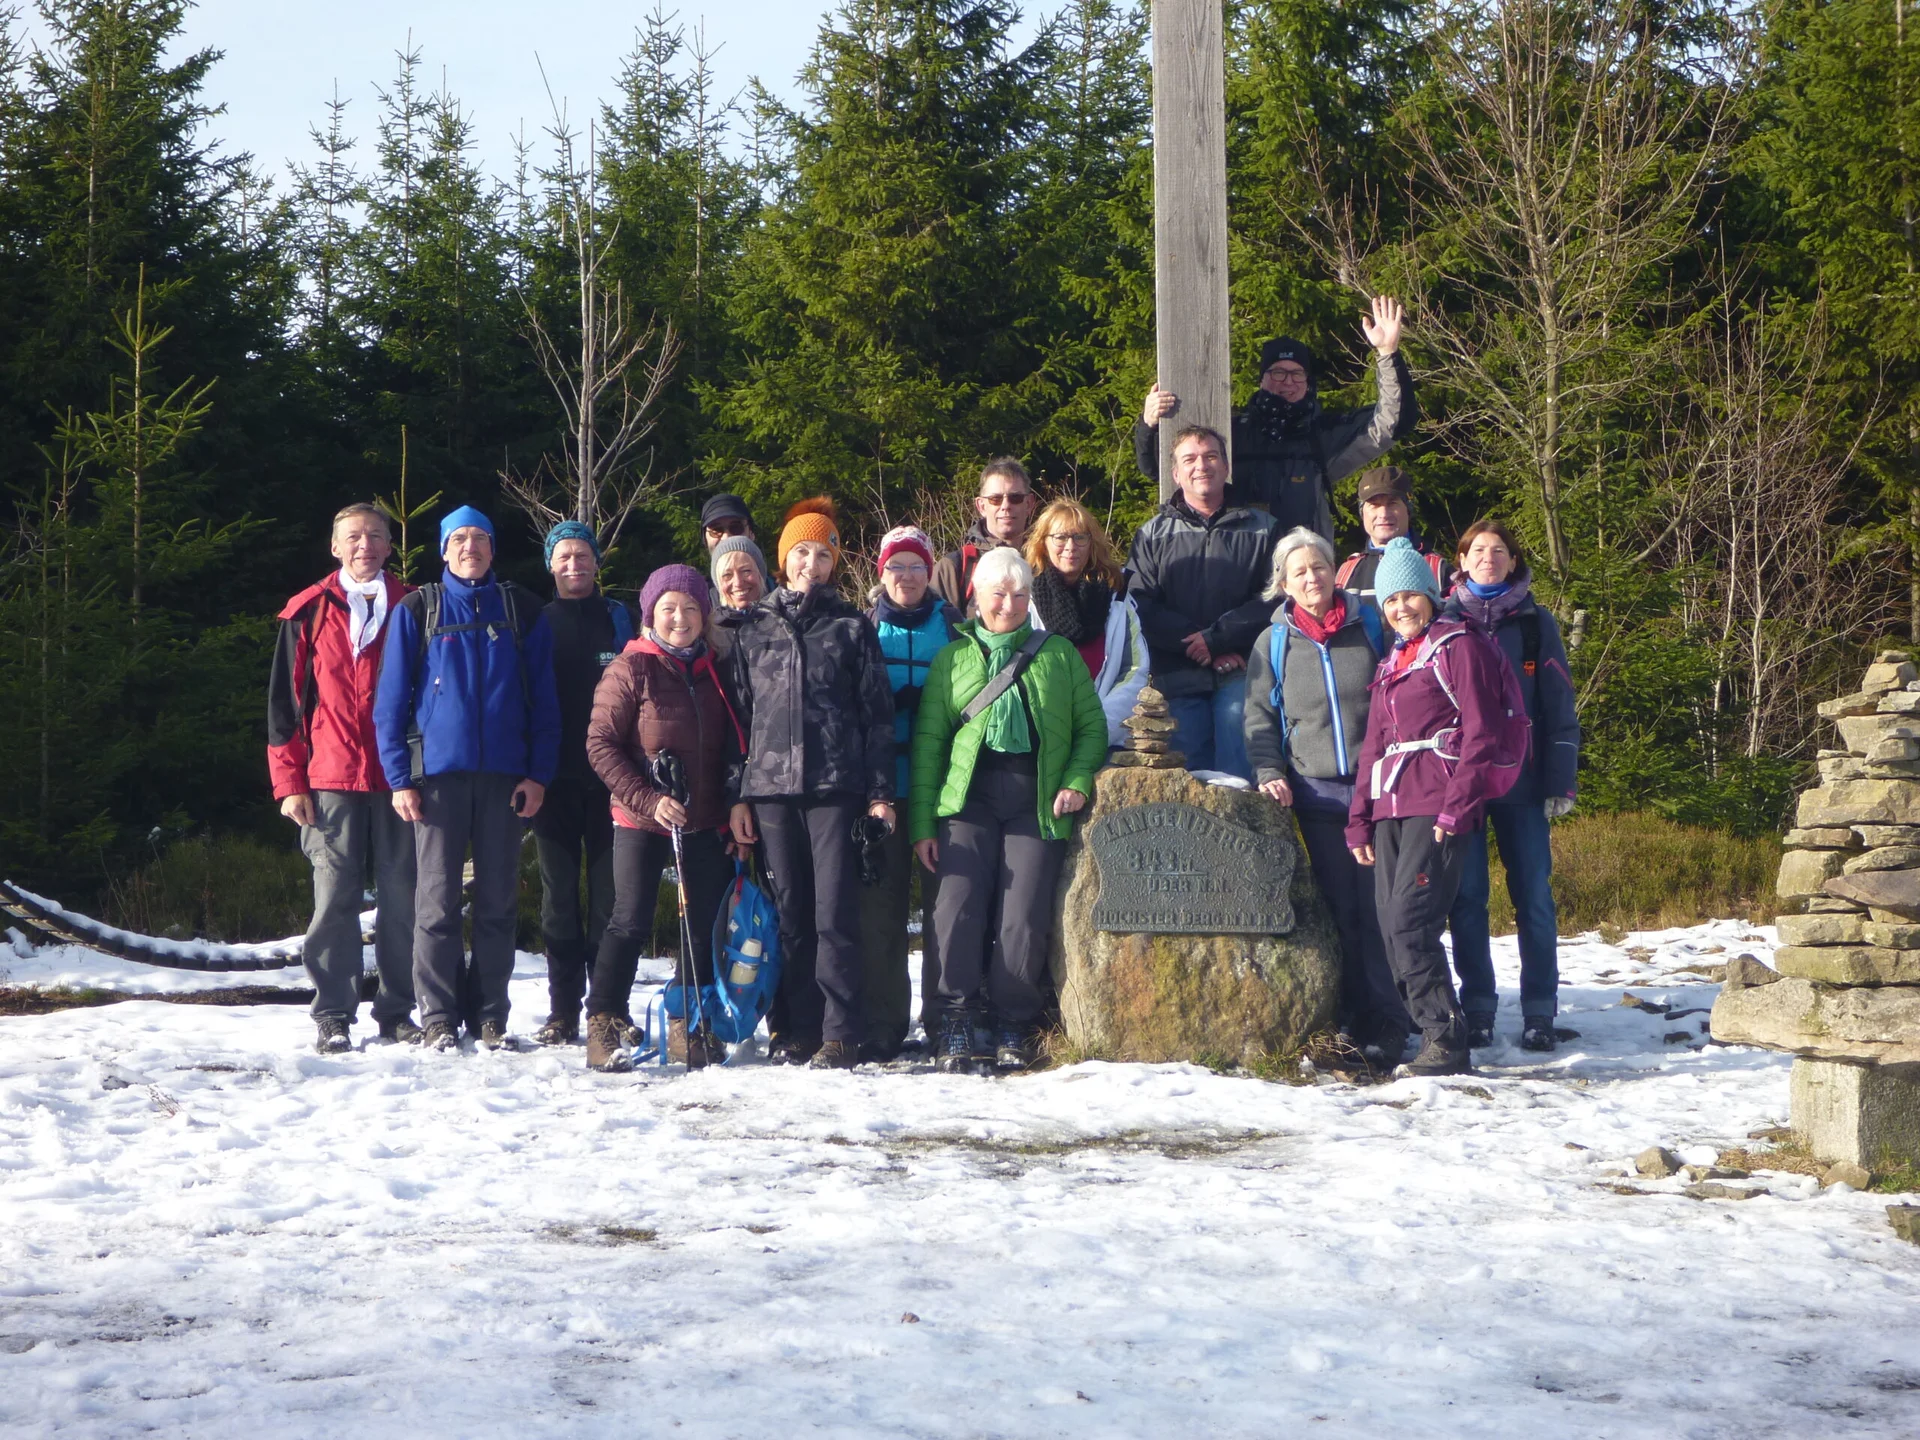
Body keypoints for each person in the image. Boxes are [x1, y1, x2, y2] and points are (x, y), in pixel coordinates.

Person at [910, 549, 1108, 1073]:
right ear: (975, 595)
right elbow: (929, 745)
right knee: (957, 907)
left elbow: (1092, 729)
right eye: (999, 593)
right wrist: (923, 824)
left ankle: (1012, 1020)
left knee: (1023, 916)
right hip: (967, 798)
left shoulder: (1058, 654)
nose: (1009, 604)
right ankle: (954, 1017)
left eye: (1020, 595)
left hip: (1035, 800)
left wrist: (1077, 780)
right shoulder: (952, 658)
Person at [374, 505, 561, 1052]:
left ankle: (491, 1015)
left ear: (493, 549)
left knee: (499, 902)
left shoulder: (522, 609)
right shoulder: (418, 609)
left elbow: (545, 703)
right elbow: (390, 705)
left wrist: (538, 774)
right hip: (437, 781)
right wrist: (399, 778)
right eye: (459, 539)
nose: (470, 547)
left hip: (506, 779)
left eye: (480, 538)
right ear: (443, 549)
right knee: (435, 904)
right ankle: (437, 1017)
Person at [725, 498, 896, 1069]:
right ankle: (793, 1028)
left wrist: (879, 794)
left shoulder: (852, 626)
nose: (812, 562)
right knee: (790, 913)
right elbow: (739, 721)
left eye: (823, 553)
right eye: (802, 551)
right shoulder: (754, 627)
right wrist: (740, 794)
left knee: (834, 913)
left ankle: (840, 1032)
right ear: (783, 558)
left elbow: (877, 717)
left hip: (834, 786)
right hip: (771, 791)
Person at [1344, 537, 1517, 1077]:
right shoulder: (1394, 659)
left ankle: (1445, 1039)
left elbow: (1482, 733)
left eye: (1409, 597)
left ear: (1429, 594)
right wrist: (1359, 820)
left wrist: (1456, 808)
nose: (1400, 608)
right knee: (1389, 926)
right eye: (1390, 600)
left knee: (1411, 924)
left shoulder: (1457, 645)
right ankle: (1438, 1030)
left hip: (1436, 802)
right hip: (1391, 806)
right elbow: (1373, 746)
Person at [1243, 527, 1411, 1067]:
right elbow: (1259, 716)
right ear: (1283, 583)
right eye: (1299, 572)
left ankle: (1390, 1019)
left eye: (1318, 567)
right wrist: (1269, 768)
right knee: (1342, 910)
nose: (1311, 577)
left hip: (1379, 791)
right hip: (1316, 795)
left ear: (1332, 570)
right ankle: (1352, 1014)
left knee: (1383, 908)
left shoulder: (1370, 624)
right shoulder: (1273, 642)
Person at [268, 503, 420, 1054]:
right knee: (334, 899)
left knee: (404, 896)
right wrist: (289, 783)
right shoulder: (307, 611)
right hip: (329, 776)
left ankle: (398, 1010)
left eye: (375, 536)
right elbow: (284, 705)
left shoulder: (416, 606)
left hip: (401, 777)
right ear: (335, 546)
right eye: (353, 537)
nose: (365, 545)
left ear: (389, 546)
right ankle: (333, 1012)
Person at [583, 564, 742, 1072]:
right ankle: (604, 1021)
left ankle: (687, 1023)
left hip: (705, 818)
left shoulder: (717, 667)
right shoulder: (632, 667)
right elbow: (600, 745)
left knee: (701, 926)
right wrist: (648, 798)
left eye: (691, 608)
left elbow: (736, 744)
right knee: (629, 919)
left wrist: (735, 804)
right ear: (651, 613)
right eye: (669, 608)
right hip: (642, 819)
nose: (681, 618)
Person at [1441, 520, 1579, 1053]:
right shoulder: (1445, 619)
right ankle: (1477, 1008)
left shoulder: (1535, 621)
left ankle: (1539, 1011)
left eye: (1499, 550)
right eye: (1478, 549)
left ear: (1513, 560)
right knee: (1468, 899)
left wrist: (1560, 780)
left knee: (1534, 900)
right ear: (1462, 558)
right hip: (1464, 783)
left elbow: (1558, 702)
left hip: (1523, 780)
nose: (1488, 557)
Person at [1136, 297, 1415, 540]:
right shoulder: (1231, 433)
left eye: (1297, 374)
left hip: (1303, 573)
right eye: (1278, 372)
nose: (1288, 382)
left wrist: (1387, 353)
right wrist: (1149, 424)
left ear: (1308, 382)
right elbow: (1159, 469)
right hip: (1241, 565)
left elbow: (1393, 422)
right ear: (1262, 380)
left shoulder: (1322, 435)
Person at [529, 520, 635, 1047]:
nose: (574, 565)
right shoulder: (538, 621)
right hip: (553, 783)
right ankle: (561, 1011)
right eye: (564, 557)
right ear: (551, 564)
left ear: (597, 562)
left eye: (583, 556)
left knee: (611, 902)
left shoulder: (617, 619)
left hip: (613, 783)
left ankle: (606, 1008)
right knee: (558, 900)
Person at [860, 525, 963, 1059]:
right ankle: (884, 1023)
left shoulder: (951, 624)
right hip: (881, 790)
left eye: (916, 566)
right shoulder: (864, 626)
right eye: (895, 567)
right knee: (882, 911)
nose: (906, 576)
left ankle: (945, 1019)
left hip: (940, 788)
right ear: (881, 575)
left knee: (946, 909)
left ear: (930, 571)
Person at [1127, 425, 1278, 779]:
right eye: (1190, 459)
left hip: (1243, 672)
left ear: (1226, 467)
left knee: (1239, 783)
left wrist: (1218, 638)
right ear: (1176, 473)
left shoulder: (1264, 528)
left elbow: (1276, 598)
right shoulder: (1152, 534)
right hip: (1176, 677)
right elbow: (1139, 605)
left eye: (1211, 456)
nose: (1201, 466)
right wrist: (1199, 644)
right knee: (1185, 785)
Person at [1023, 497, 1148, 746]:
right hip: (1040, 739)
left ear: (1092, 544)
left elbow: (1134, 670)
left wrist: (1096, 727)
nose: (1070, 546)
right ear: (1043, 543)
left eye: (1080, 537)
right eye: (1060, 537)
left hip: (1103, 735)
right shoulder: (1023, 599)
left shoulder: (1117, 598)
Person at [1333, 466, 1450, 612]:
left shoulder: (1436, 569)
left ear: (1408, 509)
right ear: (1362, 512)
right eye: (1374, 505)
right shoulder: (1347, 573)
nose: (1383, 514)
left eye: (1392, 504)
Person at [930, 458, 1036, 614]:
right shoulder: (954, 568)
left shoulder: (1046, 561)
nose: (1005, 506)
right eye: (995, 499)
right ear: (981, 506)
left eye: (1015, 498)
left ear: (1029, 503)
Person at [706, 532, 769, 665]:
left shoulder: (782, 621)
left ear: (760, 574)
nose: (738, 583)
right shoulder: (710, 632)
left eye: (746, 571)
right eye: (727, 575)